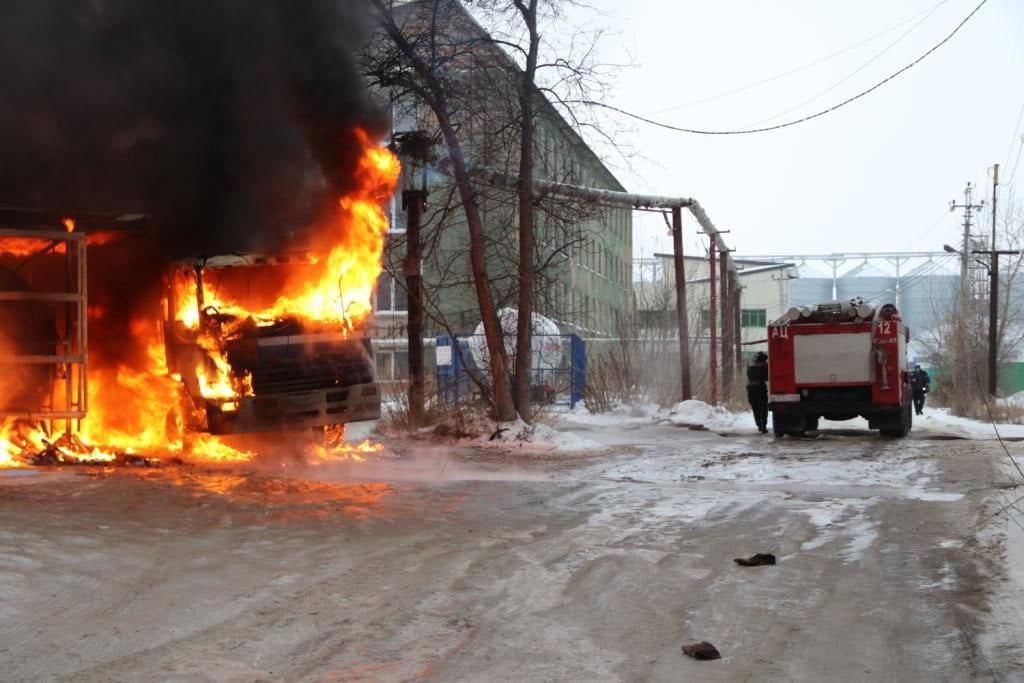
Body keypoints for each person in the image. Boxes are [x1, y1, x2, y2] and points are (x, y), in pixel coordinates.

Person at [746, 351, 769, 433]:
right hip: (760, 388)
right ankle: (763, 425)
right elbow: (767, 378)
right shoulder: (765, 367)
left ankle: (759, 424)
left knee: (755, 407)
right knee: (763, 407)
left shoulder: (750, 367)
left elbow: (749, 376)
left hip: (751, 389)